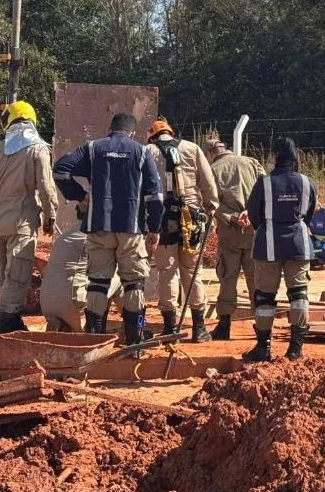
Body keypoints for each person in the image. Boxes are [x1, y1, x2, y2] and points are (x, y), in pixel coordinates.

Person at [53, 113, 163, 347]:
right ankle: (136, 342)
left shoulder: (93, 149)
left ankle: (96, 341)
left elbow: (61, 170)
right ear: (131, 132)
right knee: (134, 283)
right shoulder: (142, 152)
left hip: (98, 227)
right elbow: (155, 195)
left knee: (98, 282)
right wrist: (154, 227)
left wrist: (80, 195)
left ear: (110, 128)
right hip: (131, 228)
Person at [0, 101, 58, 334]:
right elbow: (46, 187)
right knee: (18, 274)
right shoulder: (37, 149)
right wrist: (51, 216)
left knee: (5, 270)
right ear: (31, 121)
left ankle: (13, 318)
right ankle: (6, 322)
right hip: (22, 219)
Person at [243, 137, 317, 362]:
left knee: (264, 297)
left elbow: (254, 213)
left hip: (268, 246)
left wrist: (265, 228)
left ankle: (263, 348)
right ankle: (295, 349)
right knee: (299, 295)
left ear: (274, 156)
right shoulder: (307, 182)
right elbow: (310, 214)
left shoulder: (264, 183)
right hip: (298, 244)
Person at [145, 119, 218, 342]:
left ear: (153, 136)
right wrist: (211, 210)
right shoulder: (192, 148)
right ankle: (199, 328)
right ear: (171, 132)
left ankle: (169, 329)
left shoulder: (146, 151)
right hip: (191, 219)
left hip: (161, 220)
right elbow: (208, 183)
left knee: (167, 271)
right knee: (191, 270)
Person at [203, 138, 265, 340]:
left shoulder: (212, 170)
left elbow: (211, 202)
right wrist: (251, 212)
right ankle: (262, 324)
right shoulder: (251, 163)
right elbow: (265, 191)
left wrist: (230, 218)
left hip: (230, 234)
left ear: (210, 153)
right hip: (254, 230)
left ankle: (224, 325)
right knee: (256, 278)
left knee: (227, 278)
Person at [39, 226, 124, 332]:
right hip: (72, 304)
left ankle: (64, 326)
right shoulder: (99, 237)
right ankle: (129, 329)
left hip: (47, 304)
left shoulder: (64, 237)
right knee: (121, 276)